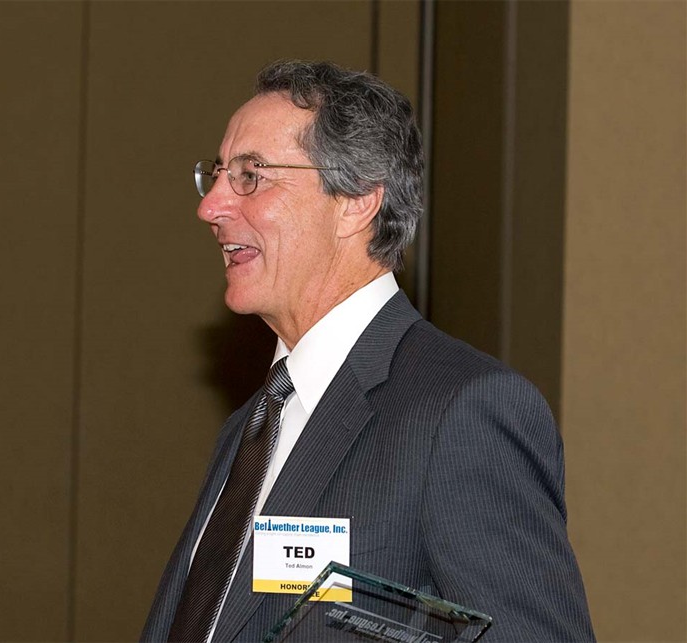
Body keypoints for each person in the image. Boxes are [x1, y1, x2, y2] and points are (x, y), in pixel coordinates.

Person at [140, 60, 595, 642]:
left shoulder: (463, 412)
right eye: (218, 175)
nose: (212, 207)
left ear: (356, 201)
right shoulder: (250, 427)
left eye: (252, 176)